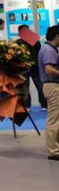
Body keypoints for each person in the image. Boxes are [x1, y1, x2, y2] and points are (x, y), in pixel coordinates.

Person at [38, 26, 59, 161]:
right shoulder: (49, 50)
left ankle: (56, 147)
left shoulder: (49, 49)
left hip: (52, 85)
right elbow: (49, 69)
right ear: (57, 36)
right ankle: (53, 151)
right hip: (52, 86)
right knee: (54, 119)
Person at [18, 24, 46, 109]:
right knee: (38, 85)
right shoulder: (35, 41)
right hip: (33, 66)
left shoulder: (18, 43)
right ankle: (43, 104)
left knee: (26, 87)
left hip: (26, 67)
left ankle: (27, 105)